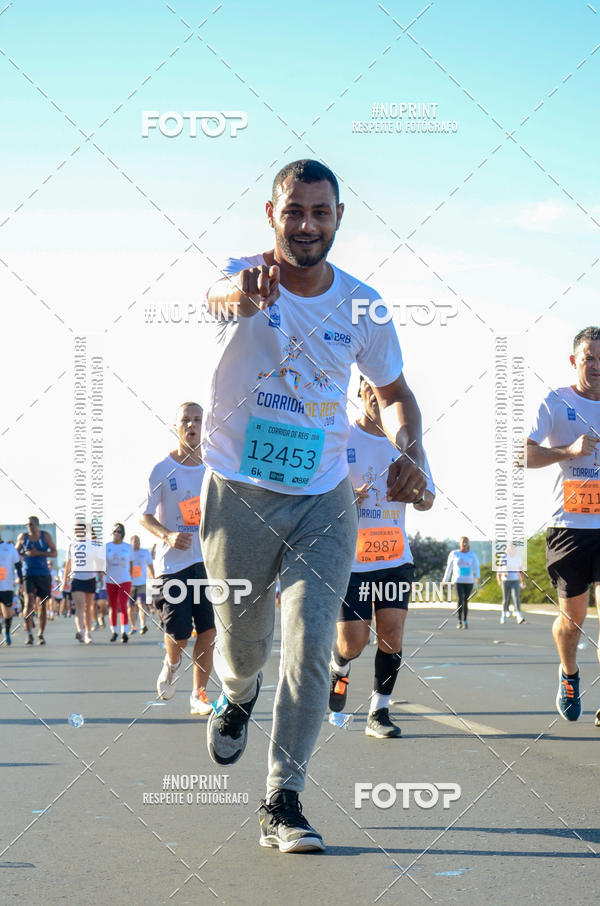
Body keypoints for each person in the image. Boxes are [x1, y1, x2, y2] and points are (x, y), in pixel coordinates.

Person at [201, 159, 427, 852]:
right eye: (293, 211)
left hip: (325, 496)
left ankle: (284, 798)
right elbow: (218, 296)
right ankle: (236, 695)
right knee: (243, 641)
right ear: (272, 215)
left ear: (336, 220)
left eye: (320, 213)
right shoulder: (242, 276)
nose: (306, 225)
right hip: (239, 488)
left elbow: (392, 395)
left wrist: (411, 451)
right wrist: (238, 292)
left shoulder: (363, 305)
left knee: (309, 643)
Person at [329, 376, 435, 738]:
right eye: (369, 390)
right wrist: (345, 499)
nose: (376, 397)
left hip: (394, 559)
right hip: (351, 561)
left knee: (392, 635)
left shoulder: (406, 444)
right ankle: (339, 668)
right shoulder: (341, 438)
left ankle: (379, 711)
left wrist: (417, 494)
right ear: (359, 391)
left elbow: (429, 498)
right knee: (353, 642)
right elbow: (318, 494)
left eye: (381, 390)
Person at [527, 325, 600, 724]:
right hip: (570, 527)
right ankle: (569, 674)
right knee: (572, 621)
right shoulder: (556, 402)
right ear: (575, 361)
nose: (596, 365)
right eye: (590, 358)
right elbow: (523, 455)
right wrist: (568, 450)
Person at [140, 402, 215, 717]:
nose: (192, 425)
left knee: (209, 631)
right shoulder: (162, 469)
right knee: (180, 633)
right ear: (176, 425)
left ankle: (199, 694)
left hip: (208, 562)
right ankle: (171, 664)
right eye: (186, 420)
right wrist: (168, 535)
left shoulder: (214, 468)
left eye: (198, 420)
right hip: (173, 564)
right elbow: (145, 517)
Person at [16, 516, 57, 645]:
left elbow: (54, 553)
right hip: (28, 574)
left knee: (42, 605)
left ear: (37, 525)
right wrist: (22, 556)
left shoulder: (45, 536)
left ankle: (40, 634)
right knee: (28, 603)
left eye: (31, 524)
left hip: (43, 574)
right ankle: (29, 634)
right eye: (27, 524)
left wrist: (38, 553)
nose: (29, 527)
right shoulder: (22, 537)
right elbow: (15, 552)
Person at [63, 523, 99, 644]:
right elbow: (68, 563)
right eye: (75, 529)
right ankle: (81, 631)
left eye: (80, 529)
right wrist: (64, 581)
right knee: (80, 605)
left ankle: (88, 632)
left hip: (90, 577)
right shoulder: (72, 545)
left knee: (88, 607)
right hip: (76, 578)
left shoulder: (92, 544)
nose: (78, 531)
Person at [442, 537, 480, 629]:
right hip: (458, 580)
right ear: (459, 543)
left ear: (468, 544)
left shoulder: (472, 554)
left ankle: (465, 620)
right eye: (462, 542)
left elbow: (476, 566)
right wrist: (445, 579)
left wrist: (477, 576)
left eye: (466, 542)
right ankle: (459, 620)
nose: (464, 544)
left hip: (468, 581)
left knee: (466, 600)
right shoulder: (454, 554)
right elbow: (449, 567)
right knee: (460, 599)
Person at [105, 523, 133, 642]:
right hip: (110, 580)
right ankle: (114, 631)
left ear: (123, 533)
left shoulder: (127, 547)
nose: (116, 533)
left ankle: (124, 632)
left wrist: (131, 577)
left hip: (125, 580)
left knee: (123, 605)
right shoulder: (107, 546)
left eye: (119, 531)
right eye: (114, 531)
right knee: (113, 606)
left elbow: (131, 564)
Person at [129, 535, 155, 635]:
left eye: (138, 541)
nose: (136, 543)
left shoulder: (145, 552)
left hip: (142, 583)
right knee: (130, 607)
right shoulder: (128, 553)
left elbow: (150, 566)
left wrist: (154, 578)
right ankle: (133, 626)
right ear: (131, 543)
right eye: (134, 541)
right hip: (130, 584)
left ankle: (142, 625)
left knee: (141, 604)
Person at [0, 532, 22, 646]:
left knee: (8, 613)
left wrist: (21, 582)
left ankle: (6, 631)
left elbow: (18, 565)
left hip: (7, 586)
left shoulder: (9, 547)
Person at [496, 542, 526, 624]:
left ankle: (519, 616)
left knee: (516, 598)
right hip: (505, 580)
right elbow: (499, 569)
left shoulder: (518, 558)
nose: (512, 548)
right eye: (510, 547)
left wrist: (522, 581)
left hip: (515, 580)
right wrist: (499, 579)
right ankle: (503, 615)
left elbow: (520, 571)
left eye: (513, 547)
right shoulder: (503, 557)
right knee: (506, 599)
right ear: (508, 548)